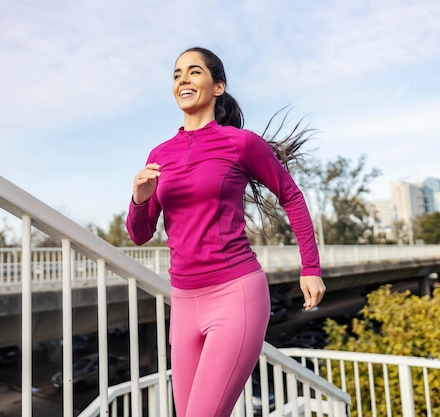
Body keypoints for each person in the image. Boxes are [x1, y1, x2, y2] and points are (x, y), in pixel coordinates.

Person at [126, 46, 325, 417]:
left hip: (235, 295)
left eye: (194, 71)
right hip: (184, 301)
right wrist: (139, 198)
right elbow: (139, 234)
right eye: (176, 74)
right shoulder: (159, 154)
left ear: (217, 87)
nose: (183, 79)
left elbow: (291, 197)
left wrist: (310, 268)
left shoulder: (241, 143)